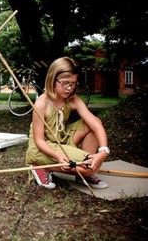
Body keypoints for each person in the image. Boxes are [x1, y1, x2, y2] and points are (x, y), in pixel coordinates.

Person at [26, 57, 109, 189]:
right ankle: (40, 166)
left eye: (73, 83)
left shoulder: (72, 99)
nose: (69, 88)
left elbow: (96, 124)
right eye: (65, 83)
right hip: (43, 148)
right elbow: (39, 140)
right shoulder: (41, 104)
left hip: (61, 138)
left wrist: (103, 151)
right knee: (91, 168)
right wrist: (57, 157)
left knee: (93, 123)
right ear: (53, 80)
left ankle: (84, 170)